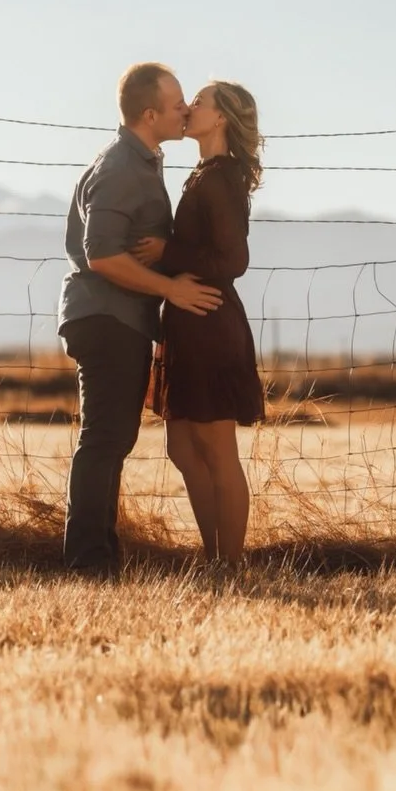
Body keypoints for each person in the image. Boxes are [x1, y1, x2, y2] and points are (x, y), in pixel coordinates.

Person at [58, 64, 221, 576]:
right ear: (149, 114)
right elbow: (101, 255)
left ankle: (100, 554)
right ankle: (88, 560)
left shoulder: (143, 163)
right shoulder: (121, 169)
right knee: (105, 439)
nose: (185, 111)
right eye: (177, 105)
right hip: (107, 318)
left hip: (119, 318)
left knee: (112, 438)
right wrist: (171, 287)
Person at [135, 82, 266, 567]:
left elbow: (233, 259)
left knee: (215, 447)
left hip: (209, 322)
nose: (189, 107)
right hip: (186, 322)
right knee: (183, 447)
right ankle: (214, 558)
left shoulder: (222, 177)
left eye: (201, 102)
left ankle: (229, 566)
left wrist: (168, 253)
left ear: (222, 119)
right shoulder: (204, 173)